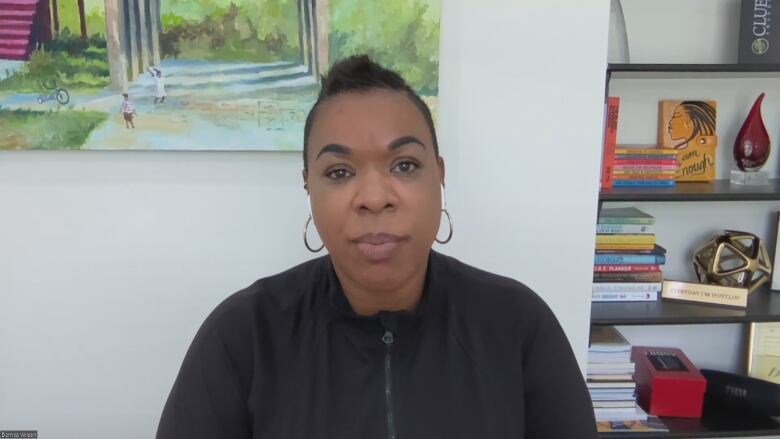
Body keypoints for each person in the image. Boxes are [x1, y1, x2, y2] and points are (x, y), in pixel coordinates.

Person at [156, 55, 598, 438]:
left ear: (439, 177)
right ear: (308, 185)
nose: (374, 197)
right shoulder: (242, 337)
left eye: (404, 165)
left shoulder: (518, 326)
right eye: (339, 172)